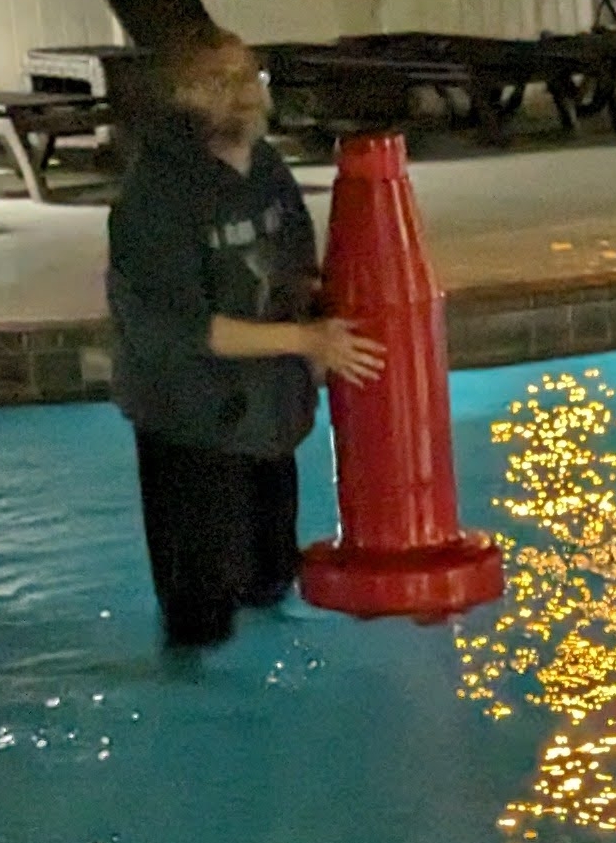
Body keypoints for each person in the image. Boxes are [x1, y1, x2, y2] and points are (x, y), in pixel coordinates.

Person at [106, 28, 380, 649]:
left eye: (250, 76)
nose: (247, 94)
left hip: (263, 417)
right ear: (184, 95)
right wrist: (306, 342)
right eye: (224, 82)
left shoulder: (267, 167)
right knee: (202, 617)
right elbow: (179, 329)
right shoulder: (156, 194)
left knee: (269, 583)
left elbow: (299, 267)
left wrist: (319, 325)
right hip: (192, 426)